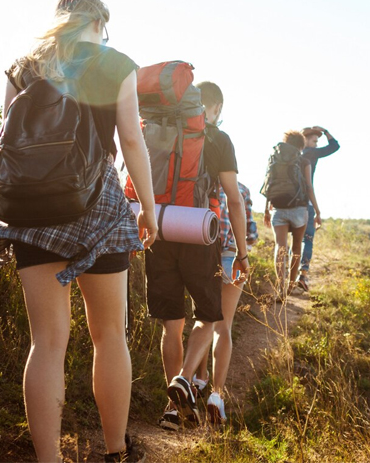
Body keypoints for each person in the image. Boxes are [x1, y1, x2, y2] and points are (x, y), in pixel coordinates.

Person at [0, 1, 157, 461]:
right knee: (108, 335)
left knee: (46, 342)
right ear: (99, 23)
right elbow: (132, 141)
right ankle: (116, 452)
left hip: (33, 213)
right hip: (100, 209)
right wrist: (150, 212)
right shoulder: (114, 64)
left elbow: (6, 142)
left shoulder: (24, 66)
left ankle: (49, 460)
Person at [150, 80, 249, 431]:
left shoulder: (161, 129)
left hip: (161, 229)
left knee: (171, 324)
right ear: (216, 108)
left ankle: (173, 410)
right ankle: (185, 378)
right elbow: (234, 200)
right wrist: (242, 251)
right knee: (208, 317)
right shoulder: (218, 139)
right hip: (199, 232)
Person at [193, 181, 257, 426]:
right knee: (223, 326)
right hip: (232, 255)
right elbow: (251, 234)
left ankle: (199, 378)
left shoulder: (199, 184)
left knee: (203, 320)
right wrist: (243, 254)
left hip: (201, 256)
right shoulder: (240, 189)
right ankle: (216, 396)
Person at [263, 131, 321, 299]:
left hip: (278, 208)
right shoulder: (304, 161)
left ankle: (280, 288)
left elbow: (268, 183)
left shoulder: (275, 158)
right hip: (299, 209)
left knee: (280, 247)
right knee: (296, 247)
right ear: (301, 145)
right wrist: (317, 211)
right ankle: (290, 286)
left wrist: (266, 209)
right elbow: (309, 187)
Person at [297, 126, 340, 292]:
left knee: (290, 242)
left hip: (288, 203)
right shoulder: (310, 153)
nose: (316, 144)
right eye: (314, 141)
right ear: (306, 140)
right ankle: (303, 274)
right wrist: (327, 130)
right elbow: (334, 147)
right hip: (305, 204)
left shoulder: (294, 155)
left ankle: (287, 276)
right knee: (307, 239)